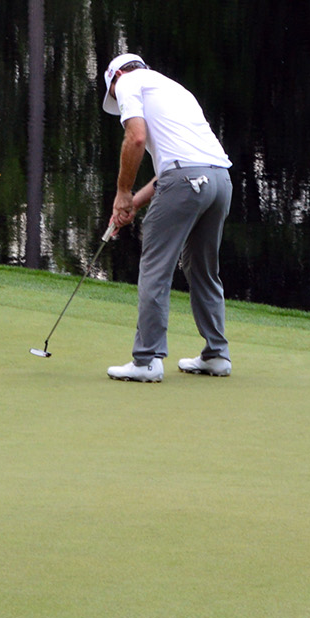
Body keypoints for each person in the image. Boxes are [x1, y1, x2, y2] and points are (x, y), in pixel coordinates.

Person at [100, 54, 233, 383]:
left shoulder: (128, 82)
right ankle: (216, 354)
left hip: (187, 181)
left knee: (155, 268)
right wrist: (132, 203)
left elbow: (136, 138)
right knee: (201, 268)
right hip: (219, 181)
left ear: (115, 78)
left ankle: (146, 359)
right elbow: (180, 166)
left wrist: (122, 192)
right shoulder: (173, 88)